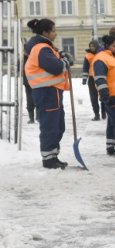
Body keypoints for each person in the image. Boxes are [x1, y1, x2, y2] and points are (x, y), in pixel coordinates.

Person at [24, 18, 70, 169]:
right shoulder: (41, 48)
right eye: (54, 31)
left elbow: (56, 62)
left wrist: (61, 56)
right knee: (50, 125)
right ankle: (49, 159)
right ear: (45, 32)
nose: (56, 34)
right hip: (47, 92)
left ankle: (53, 155)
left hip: (52, 91)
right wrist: (65, 63)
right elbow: (56, 68)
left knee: (58, 125)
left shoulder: (45, 47)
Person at [82, 40, 106, 121]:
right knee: (93, 98)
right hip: (92, 79)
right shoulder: (88, 56)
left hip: (101, 78)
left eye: (93, 46)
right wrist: (84, 78)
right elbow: (85, 67)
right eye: (90, 46)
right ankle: (96, 114)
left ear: (96, 46)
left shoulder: (102, 54)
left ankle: (104, 113)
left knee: (103, 95)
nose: (92, 48)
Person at [22, 43, 37, 124]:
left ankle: (35, 118)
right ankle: (34, 118)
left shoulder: (23, 58)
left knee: (34, 99)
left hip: (34, 82)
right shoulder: (23, 59)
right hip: (31, 83)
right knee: (32, 100)